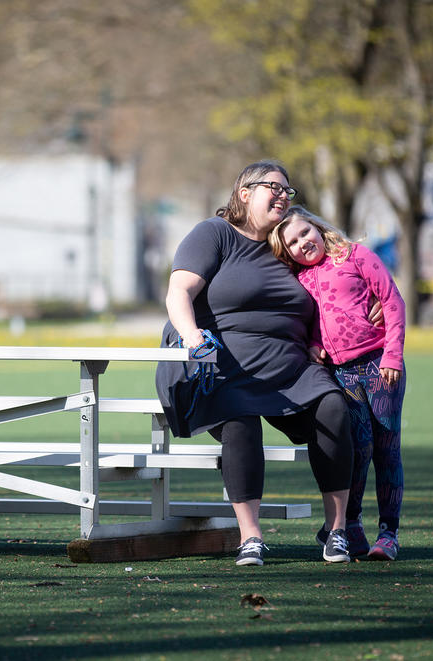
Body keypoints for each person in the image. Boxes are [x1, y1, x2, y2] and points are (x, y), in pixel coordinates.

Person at [155, 160, 355, 566]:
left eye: (288, 190)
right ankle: (251, 537)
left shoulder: (289, 243)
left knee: (333, 405)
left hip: (291, 366)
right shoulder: (215, 235)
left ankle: (337, 531)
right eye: (273, 187)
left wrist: (369, 311)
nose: (283, 195)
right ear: (244, 193)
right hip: (222, 366)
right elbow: (178, 292)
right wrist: (193, 337)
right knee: (239, 419)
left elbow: (340, 284)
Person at [268, 205, 406, 560]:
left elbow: (392, 301)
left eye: (304, 234)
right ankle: (351, 526)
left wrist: (392, 354)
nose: (303, 243)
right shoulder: (300, 279)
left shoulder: (356, 255)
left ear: (316, 228)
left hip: (380, 367)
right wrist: (315, 344)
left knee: (385, 449)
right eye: (293, 243)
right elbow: (316, 319)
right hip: (342, 375)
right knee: (356, 451)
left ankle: (388, 534)